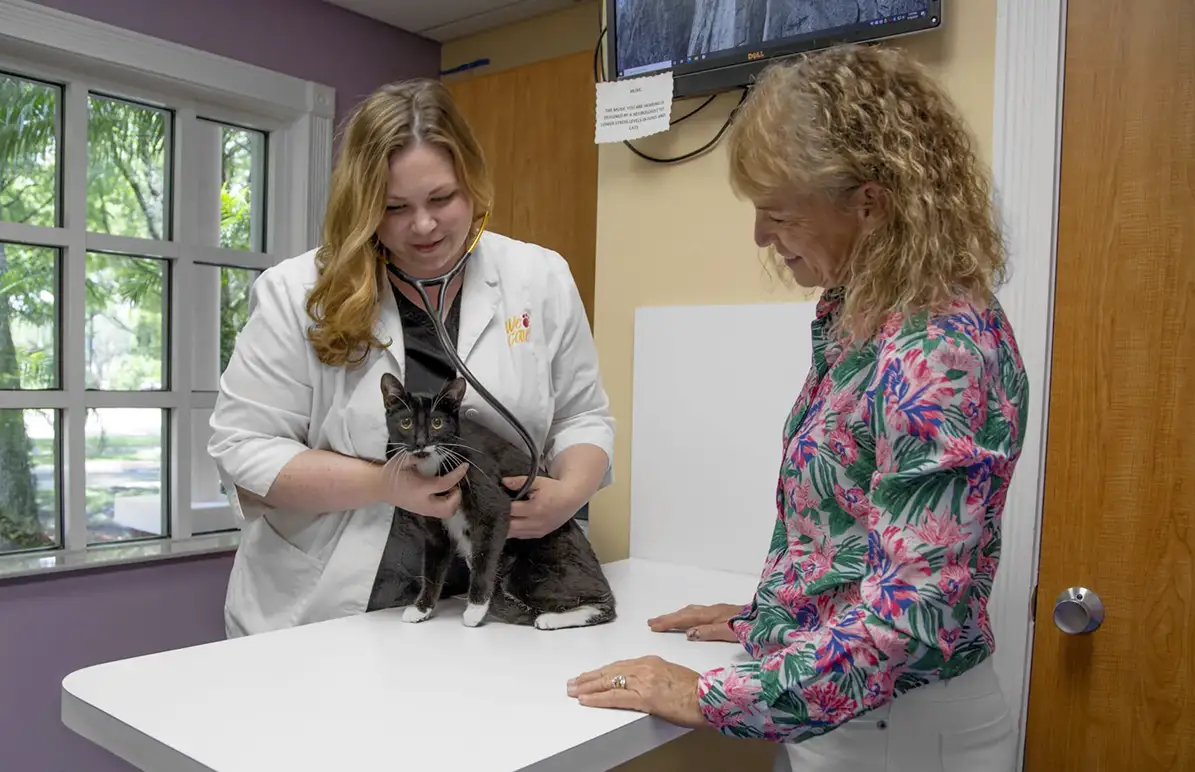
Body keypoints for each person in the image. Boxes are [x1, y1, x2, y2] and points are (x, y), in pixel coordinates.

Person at [566, 44, 1029, 772]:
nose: (760, 237)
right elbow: (856, 533)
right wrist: (775, 617)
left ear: (869, 205)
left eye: (777, 214)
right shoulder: (861, 318)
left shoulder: (940, 351)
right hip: (847, 720)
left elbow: (911, 619)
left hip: (903, 738)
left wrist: (706, 697)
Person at [208, 79, 615, 639]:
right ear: (363, 204)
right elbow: (243, 448)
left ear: (472, 181)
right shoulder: (297, 291)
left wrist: (570, 494)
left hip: (491, 605)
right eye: (394, 207)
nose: (423, 226)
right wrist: (384, 484)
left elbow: (582, 415)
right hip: (329, 610)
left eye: (442, 199)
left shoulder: (539, 277)